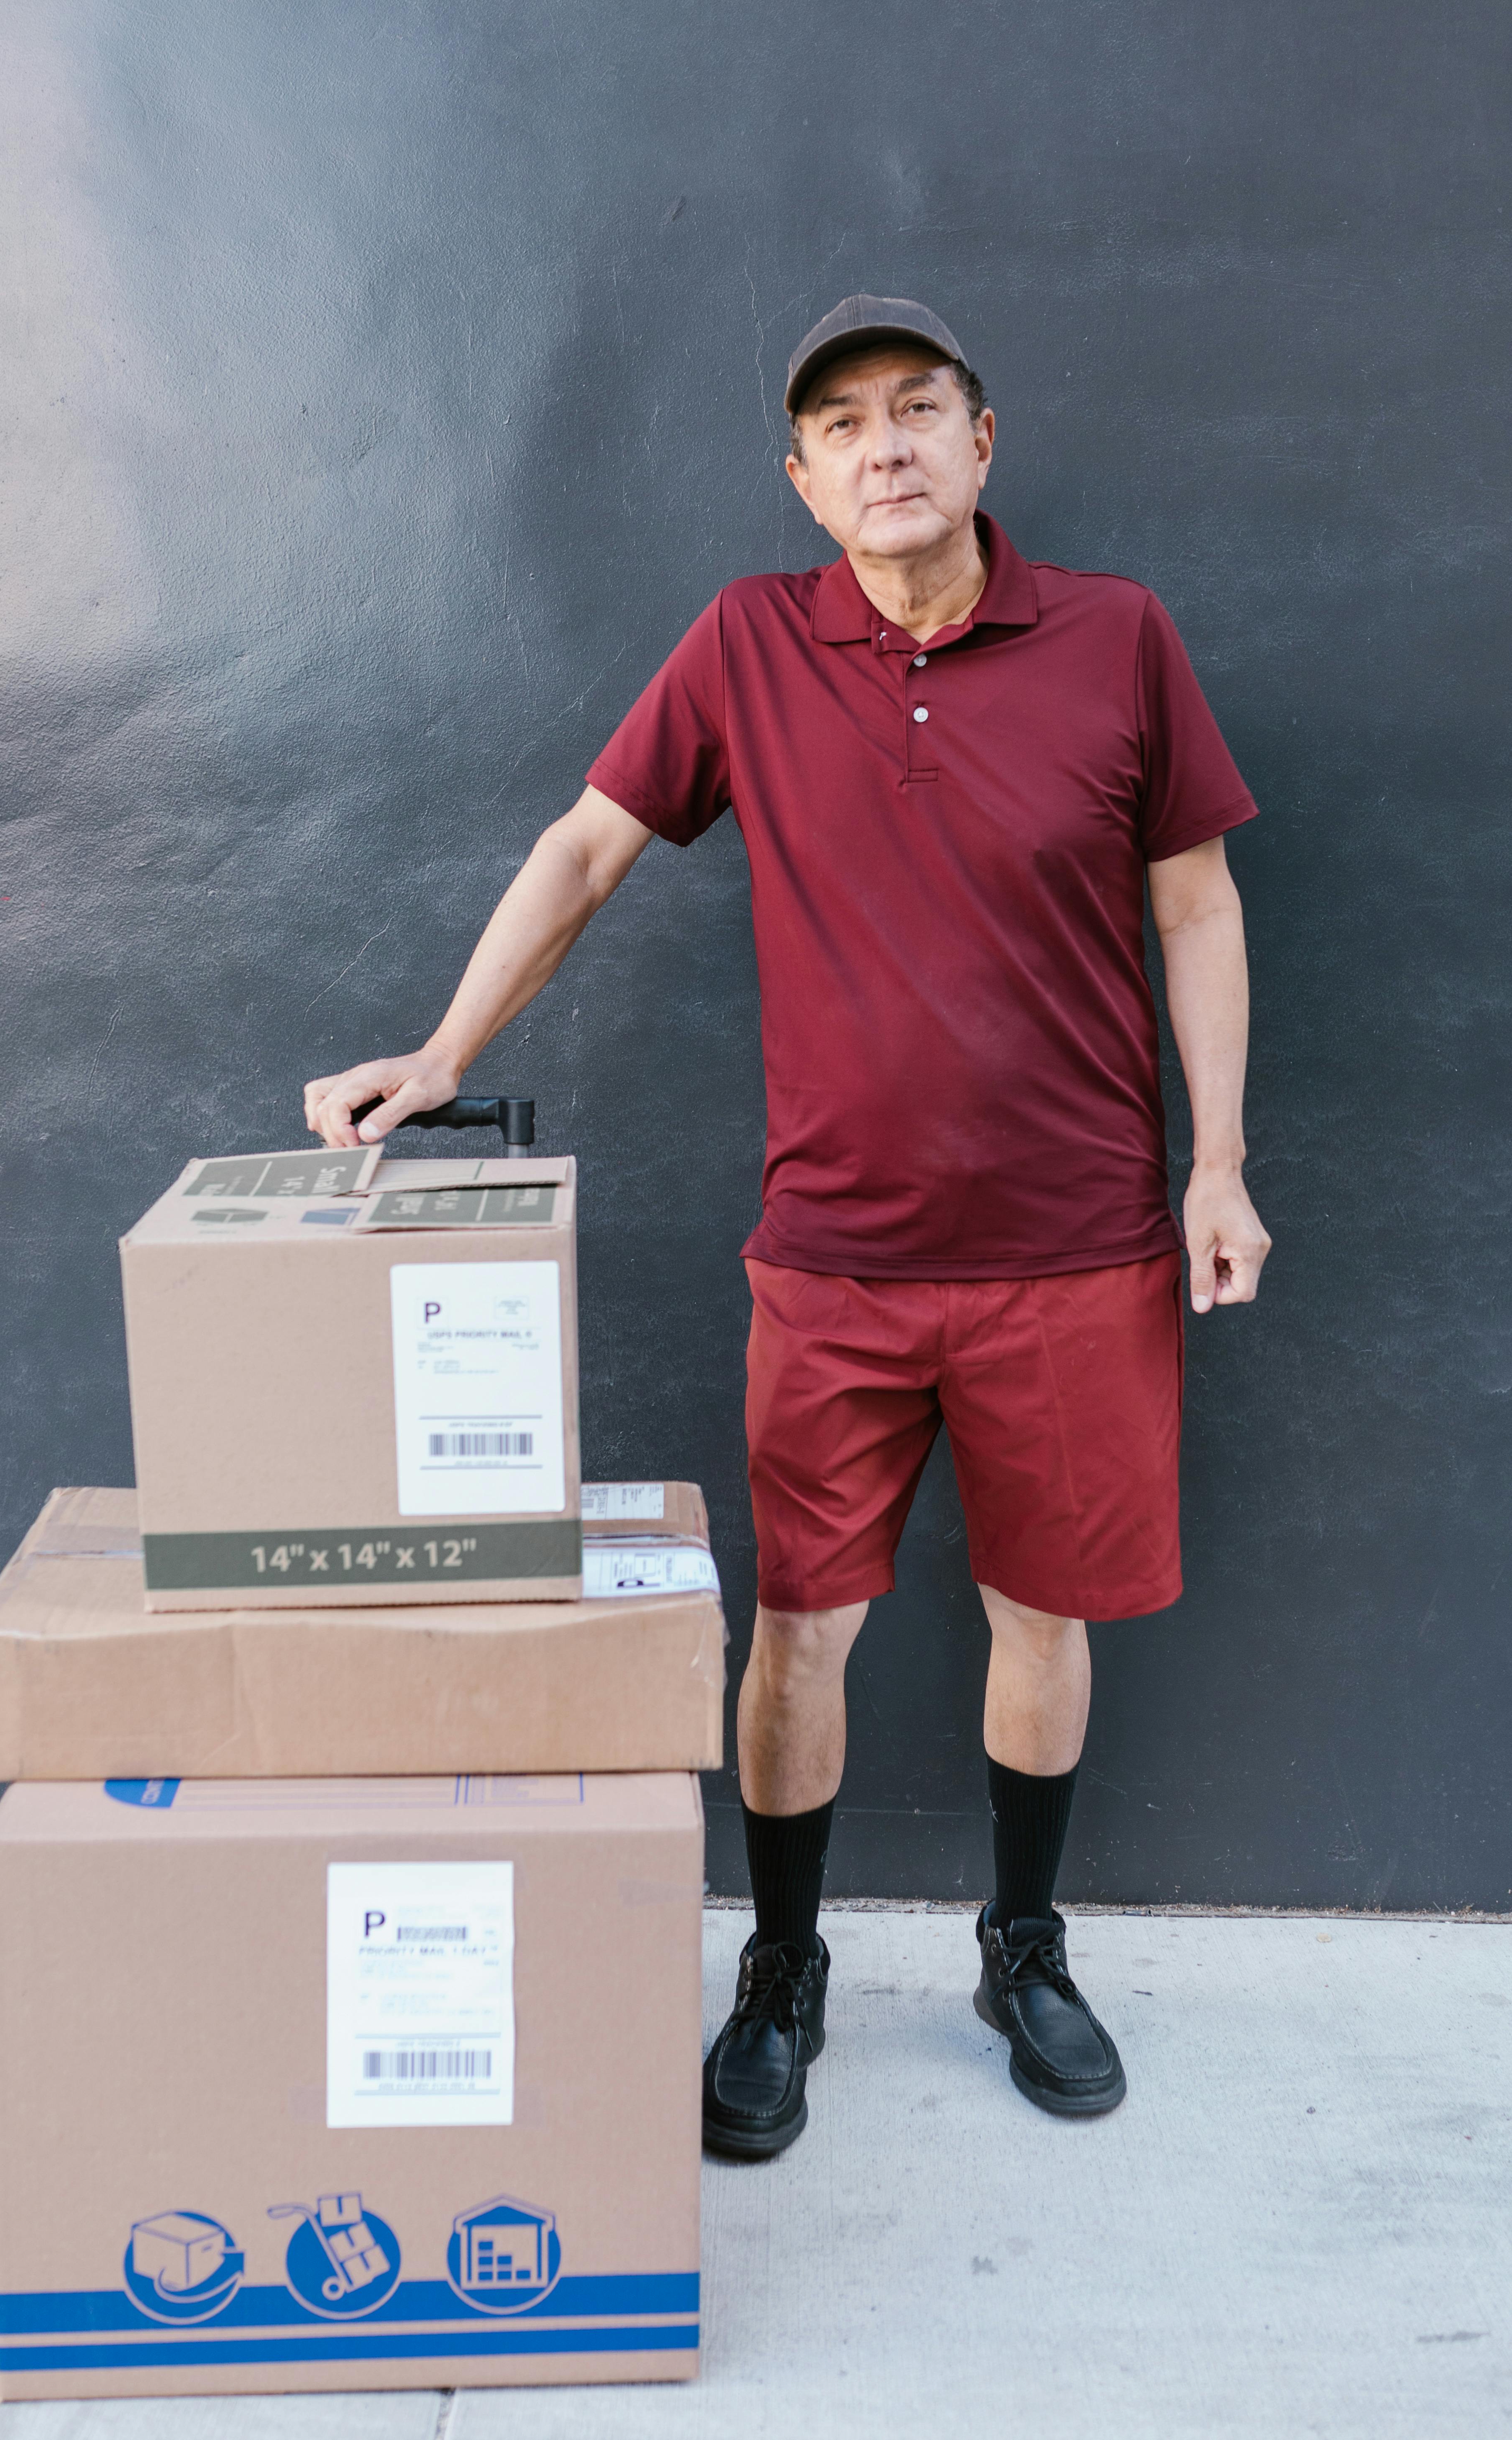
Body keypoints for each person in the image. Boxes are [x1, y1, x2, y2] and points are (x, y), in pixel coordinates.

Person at [305, 292, 1271, 2158]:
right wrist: (440, 1051)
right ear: (802, 479)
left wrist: (1212, 1163)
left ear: (984, 444)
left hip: (1075, 1250)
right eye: (842, 426)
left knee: (1040, 1617)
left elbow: (1200, 908)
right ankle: (785, 1969)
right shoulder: (750, 644)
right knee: (797, 1638)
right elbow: (587, 845)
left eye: (918, 411)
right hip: (831, 1257)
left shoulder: (1119, 640)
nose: (883, 446)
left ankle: (1024, 1945)